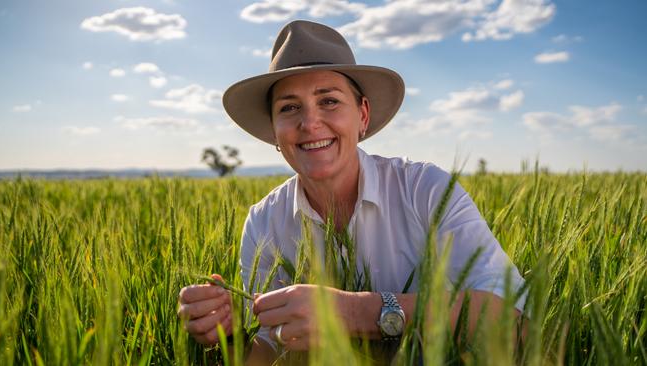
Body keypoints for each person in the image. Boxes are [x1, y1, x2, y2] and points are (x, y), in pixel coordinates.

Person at [178, 20, 526, 364]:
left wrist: (353, 311)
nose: (310, 123)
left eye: (328, 101)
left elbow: (515, 323)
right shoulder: (264, 221)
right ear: (274, 131)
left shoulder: (426, 189)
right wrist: (229, 337)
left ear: (362, 115)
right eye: (289, 107)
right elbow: (271, 354)